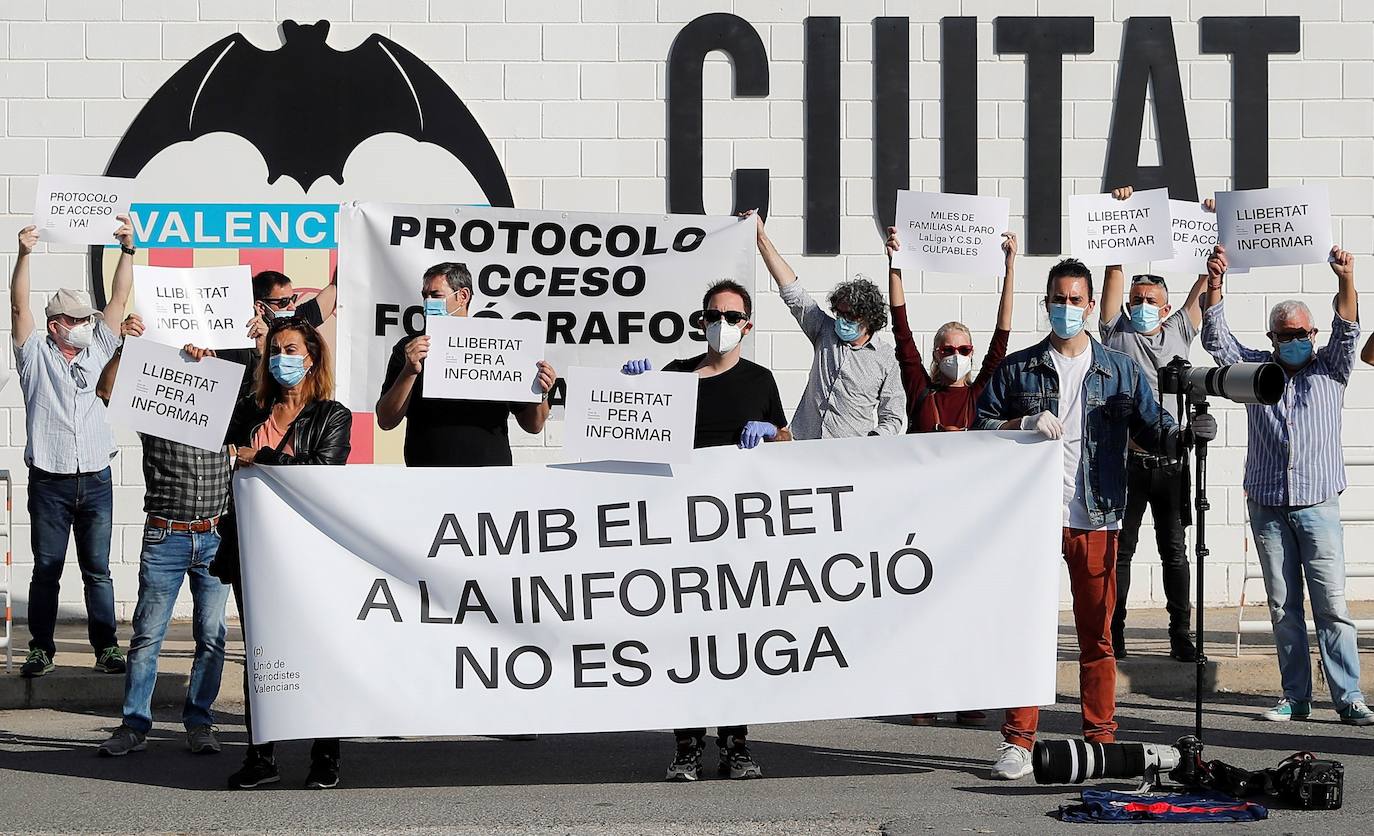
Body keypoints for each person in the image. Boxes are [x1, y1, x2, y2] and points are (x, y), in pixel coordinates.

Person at [974, 258, 1216, 780]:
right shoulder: (1017, 369)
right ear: (1047, 303)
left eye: (1075, 299)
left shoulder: (1120, 368)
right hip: (1032, 517)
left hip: (1098, 513)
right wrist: (1019, 421)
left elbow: (1153, 426)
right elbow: (981, 424)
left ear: (1090, 306)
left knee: (1097, 635)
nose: (1066, 308)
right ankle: (1018, 740)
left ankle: (1100, 738)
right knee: (1027, 630)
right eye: (1057, 299)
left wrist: (1186, 432)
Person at [622, 278, 791, 782]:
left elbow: (787, 442)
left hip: (738, 531)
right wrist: (634, 388)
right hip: (680, 527)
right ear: (700, 321)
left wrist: (773, 434)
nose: (722, 325)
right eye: (713, 316)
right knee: (686, 640)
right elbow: (632, 433)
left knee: (733, 641)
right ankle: (687, 748)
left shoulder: (760, 381)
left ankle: (736, 746)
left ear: (748, 324)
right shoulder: (674, 376)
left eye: (732, 317)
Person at [1202, 243, 1372, 727]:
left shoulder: (1330, 368)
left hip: (1318, 504)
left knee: (1332, 605)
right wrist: (1216, 283)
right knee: (1283, 605)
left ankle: (1348, 697)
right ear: (1273, 337)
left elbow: (1348, 330)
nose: (1296, 339)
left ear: (1312, 333)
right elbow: (1219, 346)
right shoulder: (1258, 373)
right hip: (1269, 505)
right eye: (1287, 334)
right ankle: (1295, 696)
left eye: (1303, 332)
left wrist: (1345, 278)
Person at [884, 226, 1014, 726]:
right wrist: (893, 261)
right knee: (923, 608)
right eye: (947, 348)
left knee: (967, 608)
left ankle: (966, 693)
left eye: (963, 349)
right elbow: (900, 328)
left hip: (970, 517)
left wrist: (1009, 268)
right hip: (922, 516)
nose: (955, 356)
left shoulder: (980, 391)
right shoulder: (920, 389)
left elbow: (1002, 339)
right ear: (936, 351)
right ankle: (922, 695)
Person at [93, 317, 239, 757]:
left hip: (215, 534)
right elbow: (105, 390)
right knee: (147, 635)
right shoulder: (155, 405)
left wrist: (216, 366)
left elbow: (261, 398)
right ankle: (134, 725)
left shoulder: (223, 403)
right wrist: (125, 347)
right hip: (166, 535)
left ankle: (200, 722)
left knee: (212, 635)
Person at [222, 318, 354, 788]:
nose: (282, 358)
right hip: (253, 553)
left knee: (318, 651)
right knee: (261, 656)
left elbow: (322, 473)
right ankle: (262, 756)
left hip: (311, 556)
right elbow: (203, 418)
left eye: (292, 349)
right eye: (275, 349)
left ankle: (325, 755)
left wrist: (265, 458)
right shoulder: (248, 412)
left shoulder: (332, 416)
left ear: (312, 357)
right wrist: (192, 360)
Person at [12, 218, 134, 678]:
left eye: (88, 319)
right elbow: (19, 304)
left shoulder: (100, 346)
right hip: (49, 478)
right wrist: (24, 255)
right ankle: (41, 648)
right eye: (78, 320)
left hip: (96, 477)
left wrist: (127, 250)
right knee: (46, 568)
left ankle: (106, 647)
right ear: (56, 323)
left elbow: (119, 300)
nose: (86, 325)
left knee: (98, 570)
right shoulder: (34, 354)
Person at [1099, 186, 1211, 663]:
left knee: (1175, 551)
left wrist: (1211, 228)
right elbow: (1113, 277)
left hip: (1170, 460)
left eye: (1152, 300)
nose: (1143, 304)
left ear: (1166, 308)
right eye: (1137, 298)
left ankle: (1181, 634)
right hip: (1125, 460)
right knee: (1120, 552)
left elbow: (1209, 280)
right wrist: (1120, 216)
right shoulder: (1116, 331)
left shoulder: (1180, 330)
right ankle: (1115, 631)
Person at [375, 262, 556, 466]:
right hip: (427, 479)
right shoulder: (409, 349)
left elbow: (534, 425)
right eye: (424, 295)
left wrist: (541, 391)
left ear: (463, 296)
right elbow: (386, 421)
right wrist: (409, 371)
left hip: (490, 481)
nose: (427, 302)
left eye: (436, 295)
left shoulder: (499, 346)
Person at [750, 212, 905, 438]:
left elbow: (892, 416)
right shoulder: (825, 331)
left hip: (849, 458)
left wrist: (874, 440)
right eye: (839, 313)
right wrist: (761, 237)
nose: (841, 320)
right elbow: (793, 292)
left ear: (869, 319)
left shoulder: (886, 359)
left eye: (850, 315)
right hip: (804, 447)